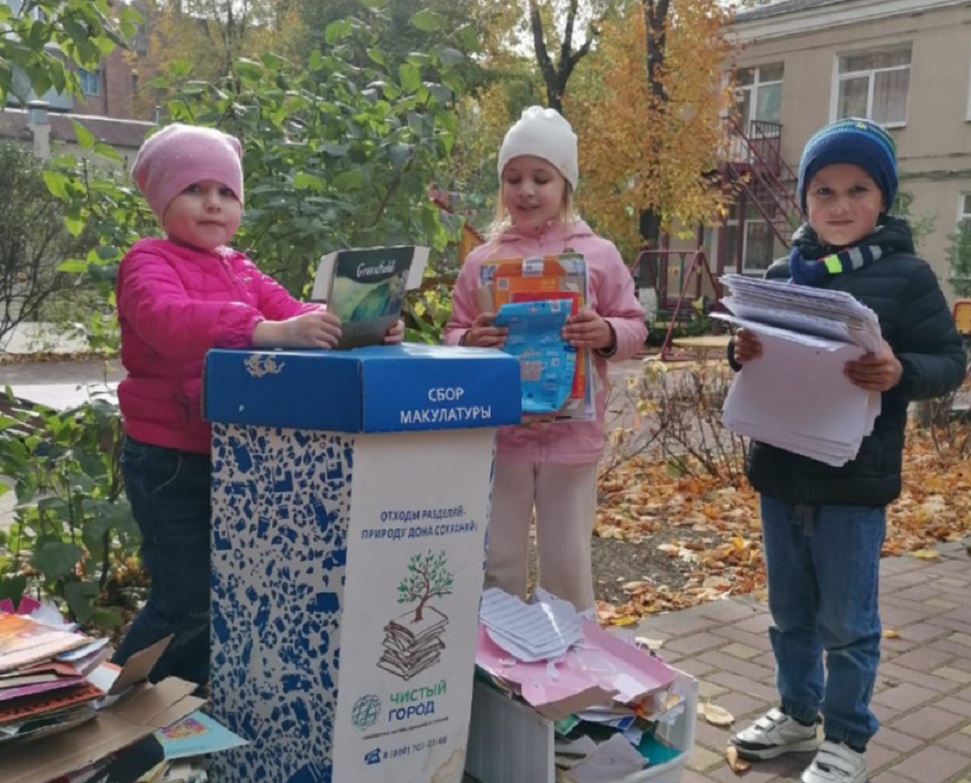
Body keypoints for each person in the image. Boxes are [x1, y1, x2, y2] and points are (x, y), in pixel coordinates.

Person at [113, 123, 403, 685]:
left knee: (226, 594)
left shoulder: (238, 267)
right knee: (185, 599)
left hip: (236, 452)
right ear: (161, 199)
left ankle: (183, 709)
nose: (213, 203)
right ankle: (111, 712)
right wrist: (262, 331)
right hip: (168, 460)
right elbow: (167, 322)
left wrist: (357, 326)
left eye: (226, 192)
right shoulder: (147, 262)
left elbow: (294, 311)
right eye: (195, 189)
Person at [728, 118, 966, 783]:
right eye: (823, 190)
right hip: (780, 471)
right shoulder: (783, 272)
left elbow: (951, 359)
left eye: (857, 189)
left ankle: (848, 739)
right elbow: (754, 354)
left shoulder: (908, 277)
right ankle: (797, 713)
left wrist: (901, 373)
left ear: (882, 198)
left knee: (848, 620)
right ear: (804, 200)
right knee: (788, 613)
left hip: (854, 483)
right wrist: (739, 350)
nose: (838, 205)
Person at [444, 106, 648, 611]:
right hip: (502, 438)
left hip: (572, 440)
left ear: (566, 185)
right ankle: (498, 675)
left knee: (568, 566)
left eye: (542, 177)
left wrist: (604, 333)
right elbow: (450, 331)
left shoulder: (597, 255)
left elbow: (635, 325)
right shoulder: (482, 261)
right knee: (498, 563)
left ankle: (575, 682)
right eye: (513, 178)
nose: (526, 190)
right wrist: (469, 340)